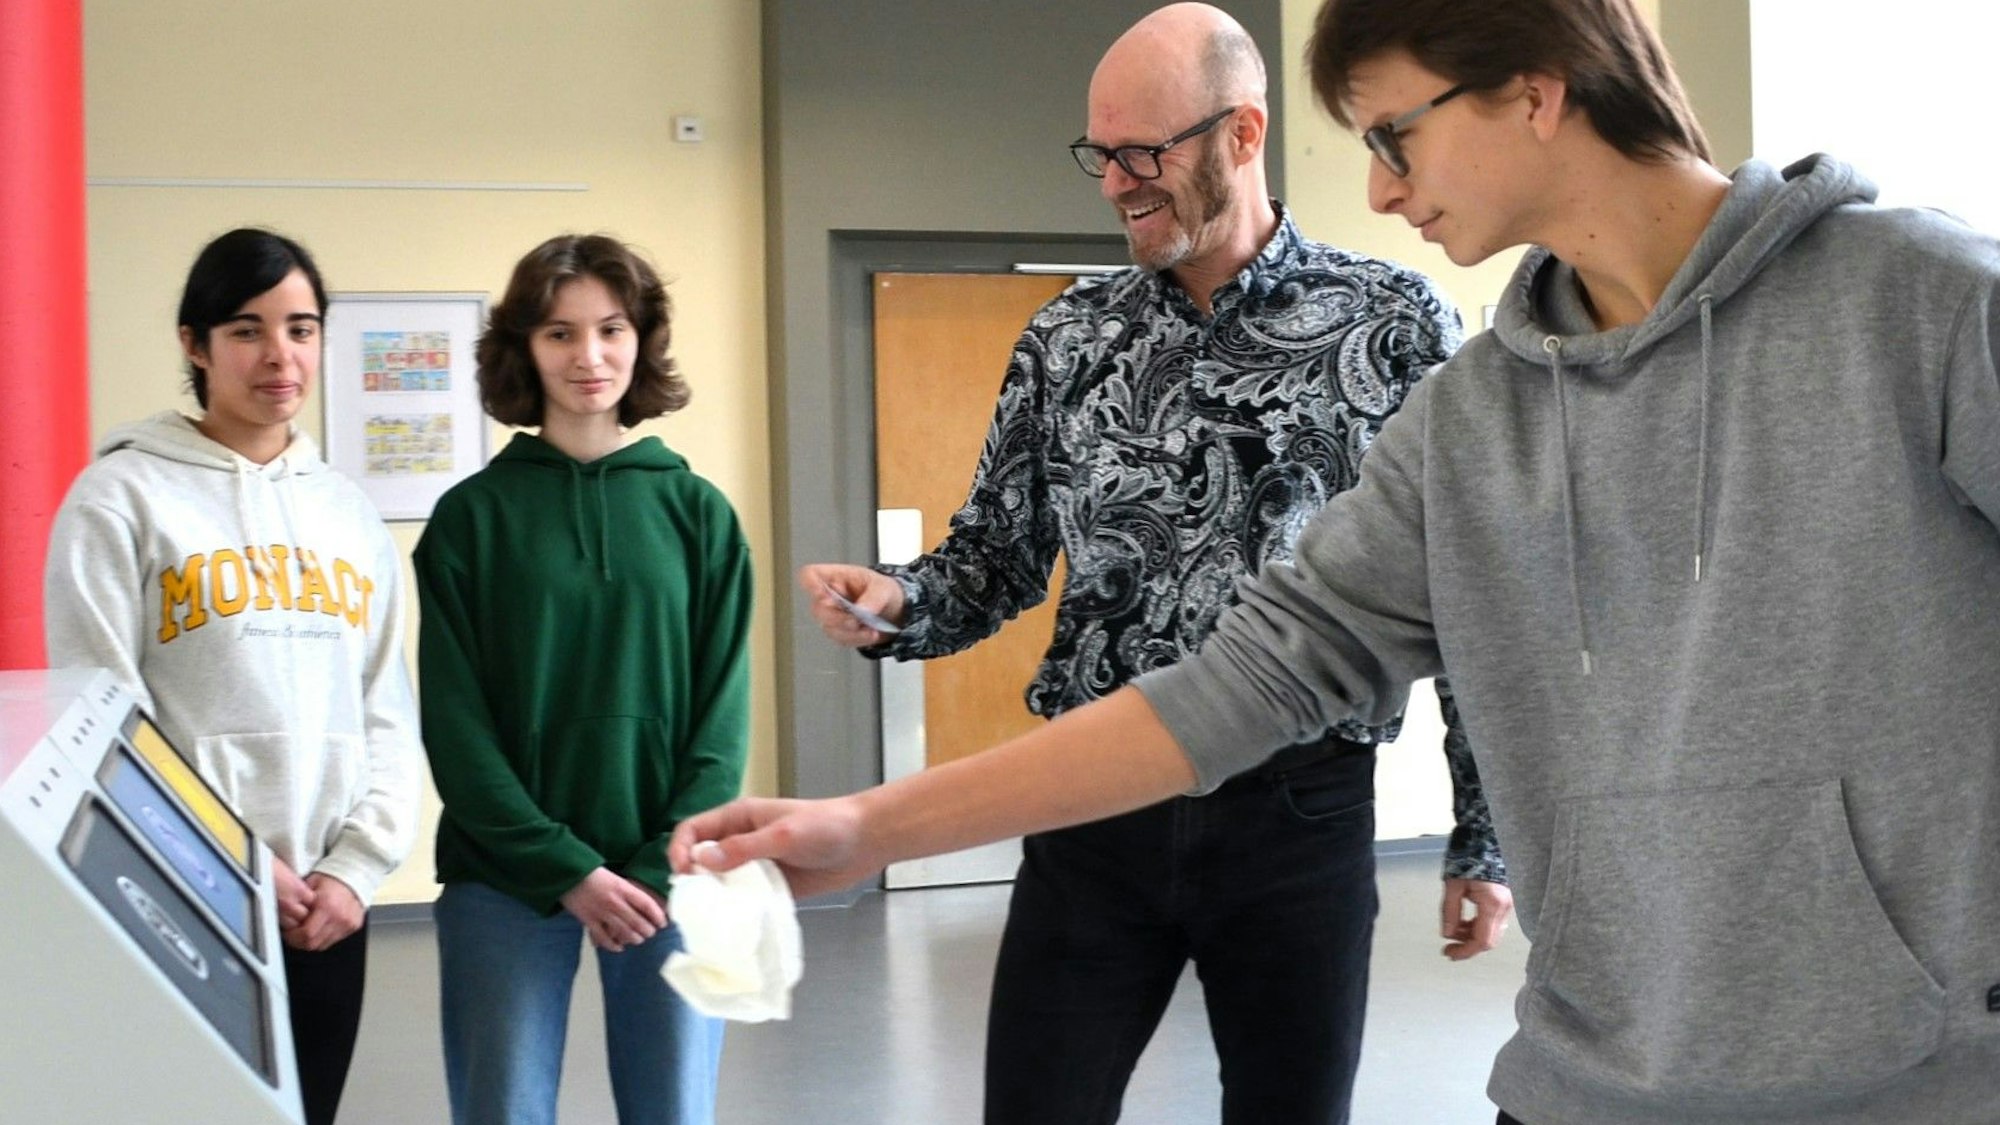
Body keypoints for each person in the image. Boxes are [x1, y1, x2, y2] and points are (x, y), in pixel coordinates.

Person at [675, 0, 2000, 1122]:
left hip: (1916, 1082)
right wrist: (858, 827)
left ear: (1536, 93)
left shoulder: (1924, 306)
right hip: (1588, 1084)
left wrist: (1471, 840)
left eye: (1394, 134)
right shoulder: (1474, 419)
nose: (1375, 185)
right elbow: (1239, 680)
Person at [801, 6, 1508, 1123]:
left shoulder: (1391, 324)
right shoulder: (1067, 340)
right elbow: (995, 556)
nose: (1115, 182)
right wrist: (901, 604)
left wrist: (1483, 833)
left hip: (1298, 820)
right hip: (1091, 814)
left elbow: (1470, 589)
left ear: (1241, 134)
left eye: (1145, 152)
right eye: (1100, 155)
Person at [43, 227, 424, 1125]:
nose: (279, 355)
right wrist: (227, 859)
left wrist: (356, 870)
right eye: (248, 329)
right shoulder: (119, 497)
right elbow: (102, 716)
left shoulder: (348, 514)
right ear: (194, 343)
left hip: (325, 909)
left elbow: (385, 712)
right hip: (185, 893)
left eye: (300, 327)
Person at [413, 234, 753, 1125]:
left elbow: (721, 723)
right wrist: (567, 868)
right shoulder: (469, 521)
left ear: (642, 338)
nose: (589, 357)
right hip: (504, 874)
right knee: (502, 1111)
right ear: (524, 348)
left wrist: (654, 864)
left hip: (673, 871)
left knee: (673, 1112)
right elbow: (456, 727)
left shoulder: (698, 514)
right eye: (560, 334)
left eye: (610, 328)